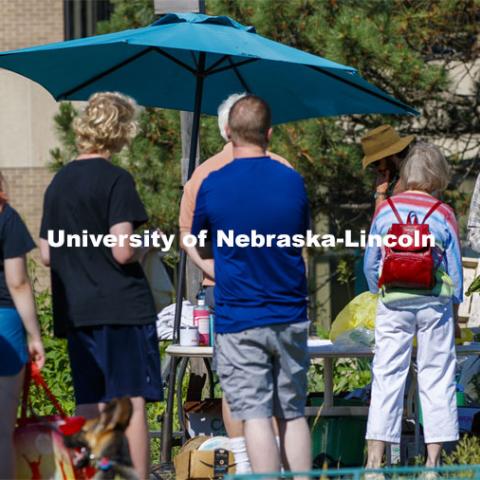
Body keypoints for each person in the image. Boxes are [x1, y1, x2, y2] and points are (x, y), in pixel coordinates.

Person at [39, 92, 162, 480]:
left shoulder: (58, 183)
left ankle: (95, 475)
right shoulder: (117, 180)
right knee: (131, 403)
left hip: (76, 308)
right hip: (121, 308)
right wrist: (150, 244)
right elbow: (123, 251)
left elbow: (46, 253)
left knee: (89, 402)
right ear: (122, 130)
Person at [190, 95, 311, 479]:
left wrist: (211, 267)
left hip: (239, 315)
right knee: (291, 413)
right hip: (289, 313)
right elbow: (299, 238)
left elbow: (196, 240)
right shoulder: (292, 180)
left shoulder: (213, 183)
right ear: (269, 133)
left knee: (256, 415)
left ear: (227, 132)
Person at [363, 142, 462, 472]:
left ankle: (375, 463)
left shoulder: (385, 210)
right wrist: (456, 306)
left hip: (393, 302)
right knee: (437, 377)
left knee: (387, 376)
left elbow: (370, 262)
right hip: (434, 304)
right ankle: (432, 465)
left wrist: (378, 290)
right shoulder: (444, 213)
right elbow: (455, 268)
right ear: (436, 175)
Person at [0, 174, 45, 479]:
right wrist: (34, 334)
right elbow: (17, 281)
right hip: (5, 321)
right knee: (2, 430)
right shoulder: (6, 216)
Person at [361, 124, 416, 208]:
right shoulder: (416, 174)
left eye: (376, 163)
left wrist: (380, 193)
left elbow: (380, 220)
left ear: (390, 156)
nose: (376, 170)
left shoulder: (403, 186)